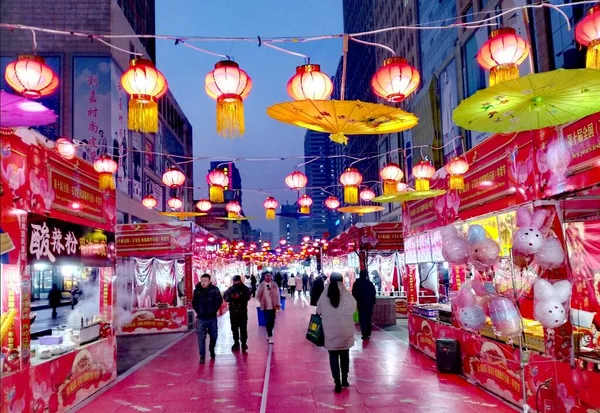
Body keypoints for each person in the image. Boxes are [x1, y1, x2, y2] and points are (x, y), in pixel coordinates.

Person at [317, 272, 357, 393]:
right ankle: (345, 379)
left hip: (330, 332)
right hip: (345, 331)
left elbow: (318, 311)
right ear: (341, 280)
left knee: (333, 357)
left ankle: (337, 383)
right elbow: (353, 308)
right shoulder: (347, 295)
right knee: (345, 355)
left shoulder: (324, 295)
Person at [192, 274, 223, 363]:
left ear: (209, 281)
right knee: (201, 338)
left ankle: (211, 348)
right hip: (201, 318)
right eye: (202, 281)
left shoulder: (214, 289)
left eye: (205, 281)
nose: (203, 283)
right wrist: (198, 310)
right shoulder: (197, 291)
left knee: (214, 335)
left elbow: (219, 300)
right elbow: (194, 302)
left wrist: (214, 309)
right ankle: (202, 356)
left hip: (212, 318)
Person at [223, 275, 251, 352]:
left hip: (242, 312)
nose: (235, 283)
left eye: (236, 281)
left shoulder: (245, 288)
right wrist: (232, 297)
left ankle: (244, 343)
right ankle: (236, 343)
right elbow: (225, 297)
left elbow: (248, 297)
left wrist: (240, 296)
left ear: (239, 280)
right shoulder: (231, 289)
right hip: (233, 313)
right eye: (234, 281)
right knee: (234, 329)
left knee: (243, 329)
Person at [256, 271, 280, 344]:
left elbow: (278, 295)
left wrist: (278, 305)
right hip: (265, 306)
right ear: (264, 276)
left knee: (272, 321)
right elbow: (258, 295)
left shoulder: (274, 284)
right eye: (267, 276)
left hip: (274, 305)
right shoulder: (261, 285)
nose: (268, 277)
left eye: (270, 276)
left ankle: (269, 331)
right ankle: (270, 335)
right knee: (268, 320)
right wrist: (262, 302)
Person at [352, 269, 377, 340]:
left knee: (362, 318)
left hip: (360, 303)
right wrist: (372, 301)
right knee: (368, 318)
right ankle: (368, 332)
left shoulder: (356, 283)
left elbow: (354, 293)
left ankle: (364, 333)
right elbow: (373, 293)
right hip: (369, 303)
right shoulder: (369, 283)